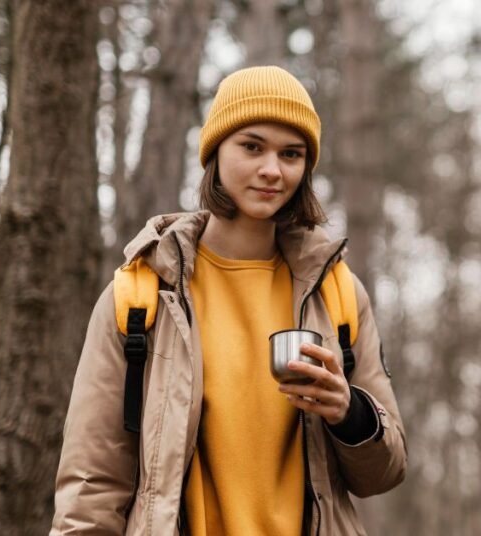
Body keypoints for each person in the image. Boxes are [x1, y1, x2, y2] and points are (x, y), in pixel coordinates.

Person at [50, 66, 407, 535]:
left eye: (291, 153)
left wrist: (350, 413)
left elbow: (386, 472)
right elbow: (91, 487)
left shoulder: (337, 294)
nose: (272, 170)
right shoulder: (139, 296)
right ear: (215, 151)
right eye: (252, 146)